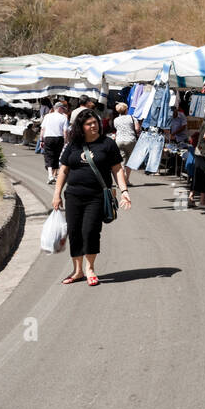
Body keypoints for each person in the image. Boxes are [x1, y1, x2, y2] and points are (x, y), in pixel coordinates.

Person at [52, 109, 130, 286]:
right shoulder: (73, 145)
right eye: (89, 123)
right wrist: (57, 194)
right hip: (73, 196)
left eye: (95, 122)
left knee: (90, 231)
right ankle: (77, 271)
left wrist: (124, 191)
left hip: (96, 196)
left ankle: (90, 269)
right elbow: (64, 170)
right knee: (74, 232)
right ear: (81, 127)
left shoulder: (107, 144)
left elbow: (117, 169)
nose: (94, 125)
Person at [40, 102, 70, 184]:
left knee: (49, 156)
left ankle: (50, 175)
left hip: (48, 138)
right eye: (63, 109)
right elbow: (65, 131)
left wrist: (41, 140)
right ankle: (54, 175)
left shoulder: (47, 116)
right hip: (59, 138)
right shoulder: (63, 118)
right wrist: (65, 141)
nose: (63, 111)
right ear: (59, 108)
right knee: (57, 156)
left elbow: (43, 129)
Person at [112, 102, 140, 185]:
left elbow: (116, 129)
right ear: (126, 110)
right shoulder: (132, 118)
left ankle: (120, 181)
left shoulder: (116, 119)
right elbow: (137, 129)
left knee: (121, 161)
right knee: (130, 161)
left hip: (119, 140)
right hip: (130, 140)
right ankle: (126, 180)